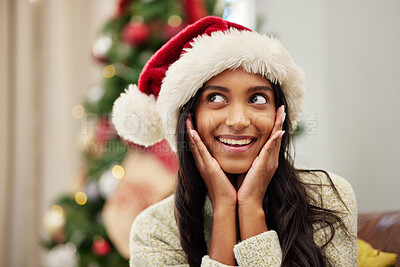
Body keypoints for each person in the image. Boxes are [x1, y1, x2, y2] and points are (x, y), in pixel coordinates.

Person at [112, 16, 357, 267]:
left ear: (280, 114)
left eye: (257, 99)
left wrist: (251, 207)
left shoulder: (328, 196)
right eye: (216, 98)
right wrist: (224, 209)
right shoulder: (155, 229)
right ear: (188, 119)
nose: (239, 121)